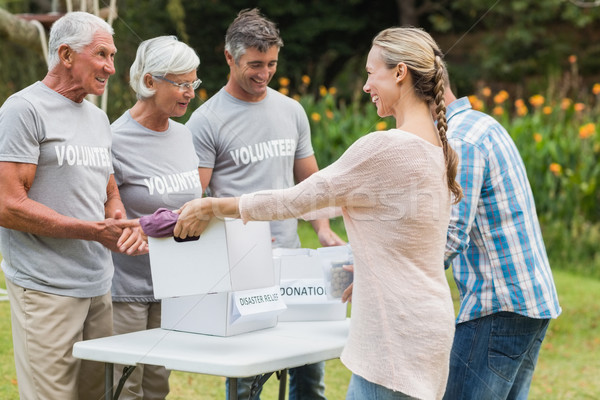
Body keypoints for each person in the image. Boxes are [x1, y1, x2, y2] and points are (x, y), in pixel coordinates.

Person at [176, 26, 463, 400]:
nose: (365, 85)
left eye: (370, 72)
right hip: (429, 327)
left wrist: (214, 206)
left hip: (394, 343)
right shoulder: (443, 149)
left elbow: (296, 200)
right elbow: (398, 227)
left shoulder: (385, 148)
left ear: (399, 72)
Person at [184, 8, 345, 400]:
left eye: (272, 63)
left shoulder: (291, 111)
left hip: (292, 260)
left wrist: (323, 229)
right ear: (229, 57)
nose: (265, 73)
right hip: (242, 268)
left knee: (309, 369)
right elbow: (197, 202)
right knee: (247, 376)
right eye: (255, 64)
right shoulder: (205, 122)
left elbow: (312, 184)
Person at [0, 11, 146, 400]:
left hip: (99, 286)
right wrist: (90, 231)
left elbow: (108, 185)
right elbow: (8, 205)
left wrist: (114, 212)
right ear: (65, 55)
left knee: (97, 396)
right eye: (102, 55)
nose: (112, 67)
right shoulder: (23, 110)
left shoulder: (98, 119)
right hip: (46, 288)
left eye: (113, 56)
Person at [441, 75, 561, 399]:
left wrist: (387, 274)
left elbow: (451, 235)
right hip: (526, 301)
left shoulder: (461, 141)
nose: (367, 87)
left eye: (371, 74)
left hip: (498, 307)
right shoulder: (480, 124)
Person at [110, 36, 204, 399]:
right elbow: (109, 216)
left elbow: (193, 207)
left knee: (157, 387)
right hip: (126, 290)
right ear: (150, 82)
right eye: (181, 84)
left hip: (173, 286)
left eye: (193, 83)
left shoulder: (184, 136)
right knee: (125, 387)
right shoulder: (114, 139)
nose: (190, 92)